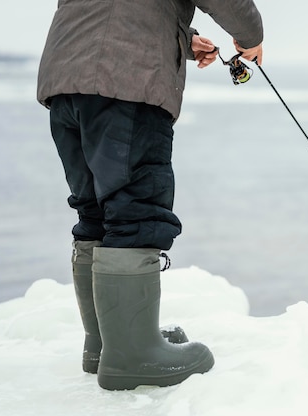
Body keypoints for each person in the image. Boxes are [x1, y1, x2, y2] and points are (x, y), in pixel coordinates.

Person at [36, 0, 263, 391]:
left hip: (66, 80)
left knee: (95, 212)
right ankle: (131, 356)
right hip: (126, 81)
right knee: (134, 211)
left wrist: (183, 38)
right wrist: (250, 37)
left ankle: (107, 343)